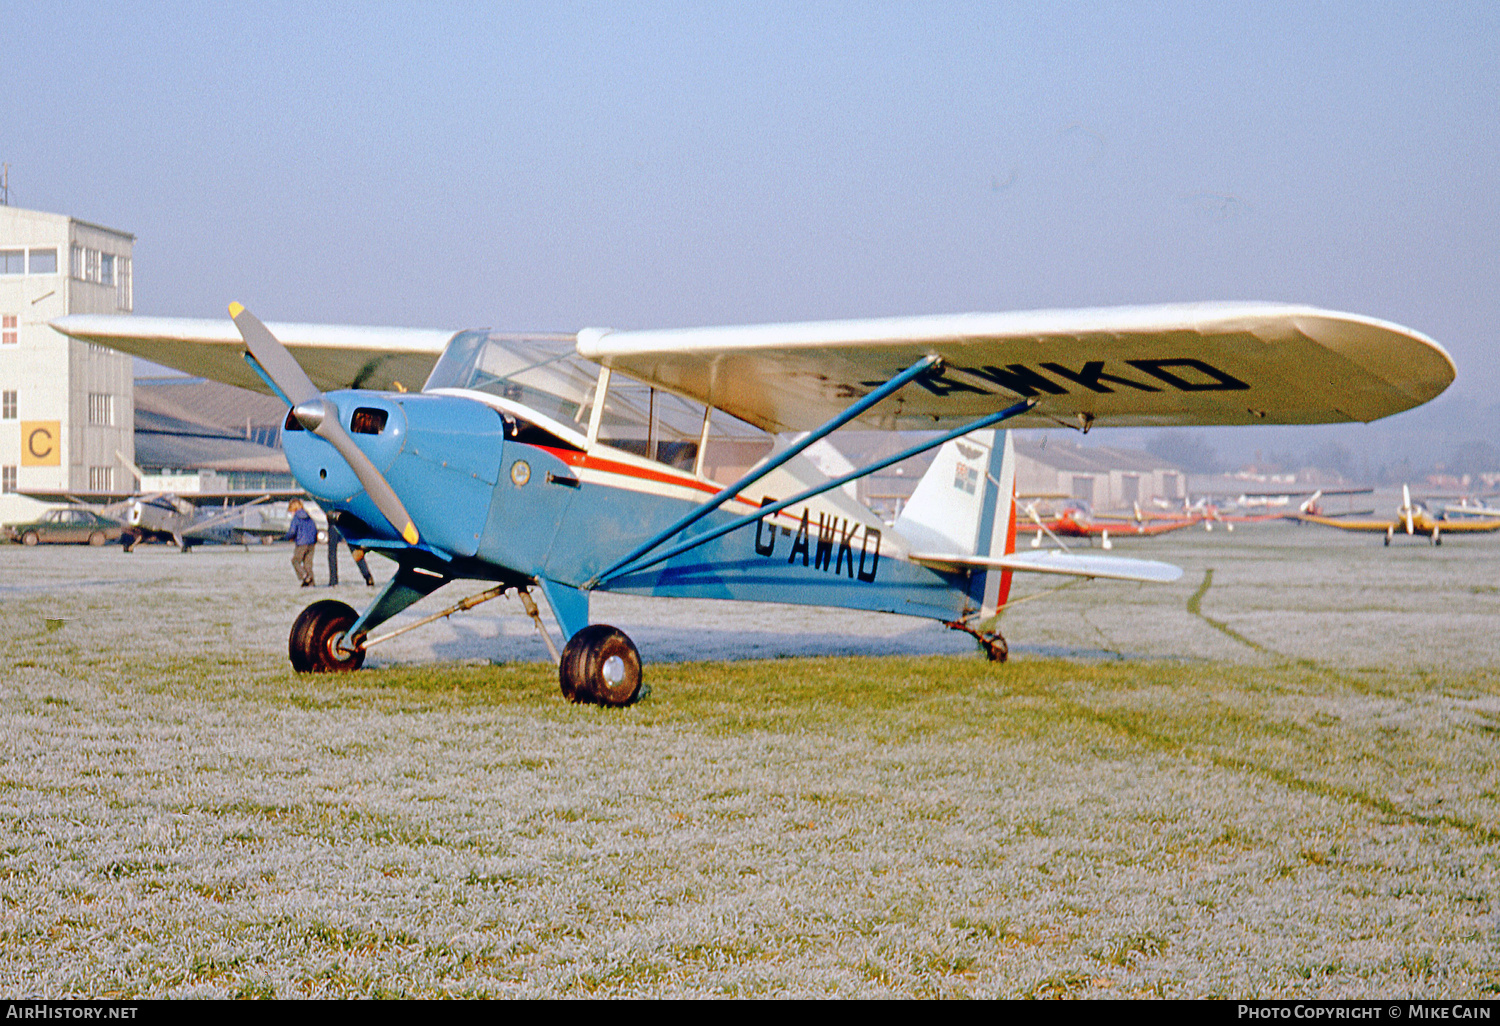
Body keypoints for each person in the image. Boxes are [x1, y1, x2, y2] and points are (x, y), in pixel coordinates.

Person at [284, 499, 317, 586]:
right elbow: (314, 529)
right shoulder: (309, 517)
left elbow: (292, 531)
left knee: (295, 561)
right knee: (308, 564)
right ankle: (311, 583)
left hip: (302, 543)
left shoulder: (296, 518)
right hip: (311, 544)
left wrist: (287, 537)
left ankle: (304, 576)